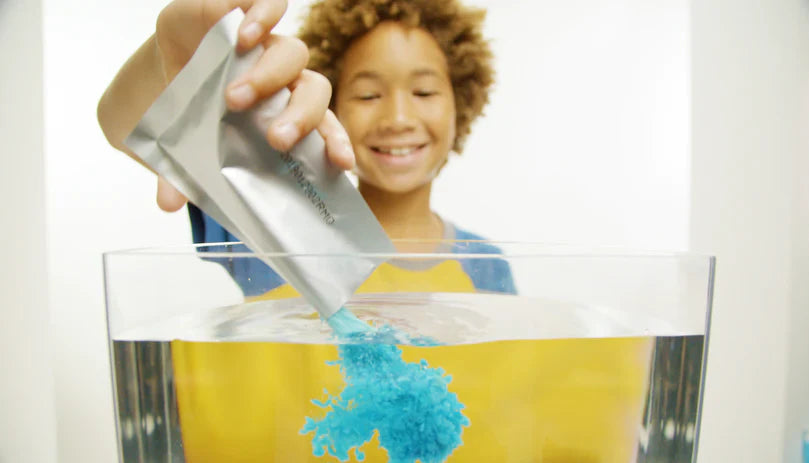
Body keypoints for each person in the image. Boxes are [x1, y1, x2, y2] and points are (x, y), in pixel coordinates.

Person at [98, 1, 649, 461]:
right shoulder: (281, 226)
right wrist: (170, 54)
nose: (398, 117)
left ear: (462, 103)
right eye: (367, 95)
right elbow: (126, 125)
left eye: (424, 92)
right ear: (329, 106)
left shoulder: (486, 265)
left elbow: (511, 403)